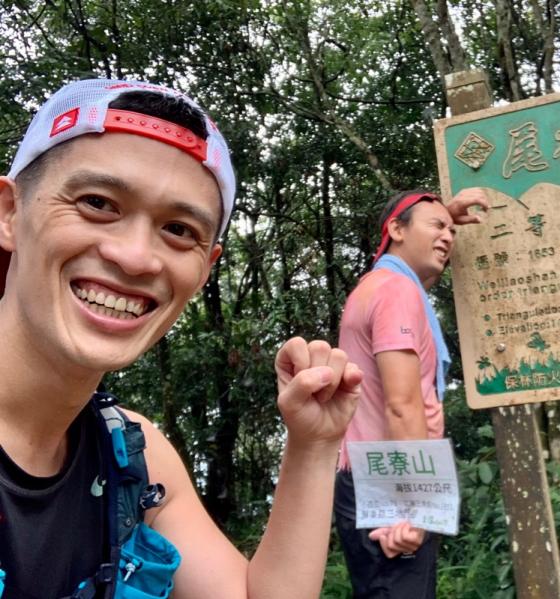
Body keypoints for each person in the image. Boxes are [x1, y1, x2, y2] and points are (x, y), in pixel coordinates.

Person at [0, 78, 362, 599]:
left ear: (206, 267)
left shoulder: (131, 457)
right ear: (10, 213)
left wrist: (313, 445)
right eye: (97, 202)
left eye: (179, 230)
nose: (136, 258)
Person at [333, 187, 488, 598]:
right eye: (437, 227)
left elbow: (426, 272)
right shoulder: (395, 291)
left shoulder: (381, 285)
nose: (448, 236)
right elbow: (402, 404)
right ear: (396, 230)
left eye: (451, 231)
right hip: (392, 477)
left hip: (372, 473)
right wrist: (417, 506)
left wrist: (441, 217)